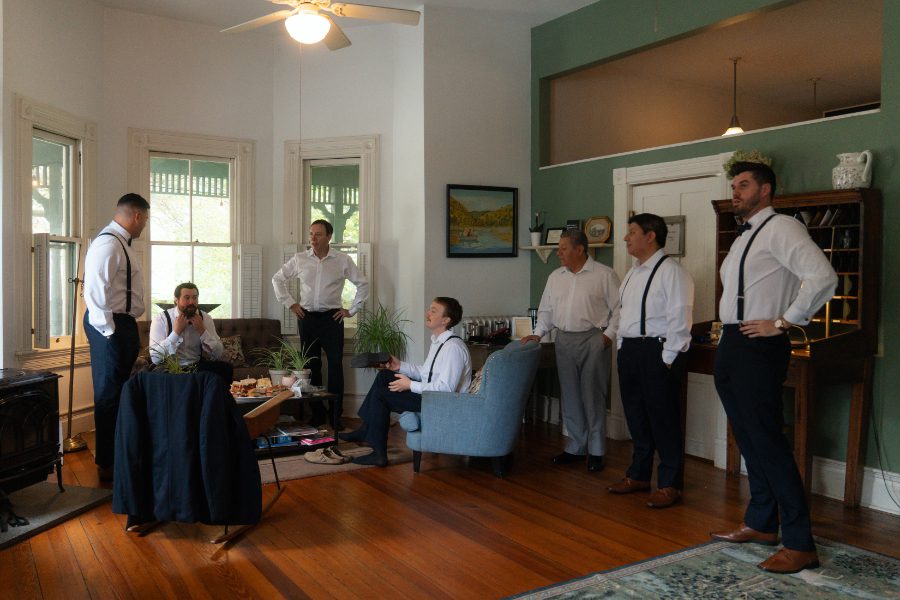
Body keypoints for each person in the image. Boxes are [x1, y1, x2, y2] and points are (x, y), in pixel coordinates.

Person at [710, 162, 837, 574]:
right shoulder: (743, 236)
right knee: (747, 436)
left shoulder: (782, 228)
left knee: (767, 440)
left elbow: (822, 277)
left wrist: (784, 322)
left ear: (765, 190)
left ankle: (800, 543)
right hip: (732, 341)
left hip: (759, 344)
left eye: (743, 185)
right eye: (733, 185)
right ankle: (762, 523)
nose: (735, 192)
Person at [609, 213, 694, 508]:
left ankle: (670, 483)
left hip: (658, 351)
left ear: (650, 236)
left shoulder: (672, 272)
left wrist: (668, 358)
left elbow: (680, 317)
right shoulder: (632, 273)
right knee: (636, 414)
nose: (626, 238)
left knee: (664, 418)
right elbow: (624, 313)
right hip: (631, 351)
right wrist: (622, 344)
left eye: (632, 232)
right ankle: (639, 475)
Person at [521, 229, 620, 472]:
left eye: (563, 248)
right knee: (570, 395)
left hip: (594, 339)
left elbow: (621, 309)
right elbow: (546, 311)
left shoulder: (604, 275)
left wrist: (607, 337)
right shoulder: (555, 277)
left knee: (593, 395)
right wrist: (538, 333)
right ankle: (576, 447)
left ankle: (596, 451)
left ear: (580, 249)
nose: (559, 253)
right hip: (563, 340)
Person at [340, 297, 471, 467]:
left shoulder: (453, 348)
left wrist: (410, 385)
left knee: (382, 395)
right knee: (384, 376)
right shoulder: (439, 342)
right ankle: (365, 429)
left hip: (441, 404)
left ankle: (379, 454)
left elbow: (446, 389)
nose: (428, 313)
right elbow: (426, 373)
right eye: (429, 309)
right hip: (432, 397)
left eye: (433, 311)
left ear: (446, 320)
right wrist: (399, 366)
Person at [272, 219, 369, 428]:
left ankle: (335, 416)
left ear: (328, 237)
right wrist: (290, 303)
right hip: (306, 318)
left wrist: (351, 310)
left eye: (317, 234)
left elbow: (363, 283)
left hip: (332, 319)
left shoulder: (342, 260)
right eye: (311, 234)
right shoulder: (300, 259)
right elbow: (277, 279)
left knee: (335, 367)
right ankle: (317, 413)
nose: (313, 238)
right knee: (311, 367)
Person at [83, 193, 150, 481]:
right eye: (145, 219)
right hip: (110, 327)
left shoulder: (121, 243)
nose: (145, 225)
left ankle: (118, 456)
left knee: (119, 393)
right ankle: (107, 463)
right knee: (108, 394)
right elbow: (95, 292)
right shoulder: (108, 243)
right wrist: (110, 333)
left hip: (122, 325)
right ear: (137, 216)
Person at [148, 282, 232, 383]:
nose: (191, 302)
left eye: (194, 298)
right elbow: (155, 358)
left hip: (197, 366)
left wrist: (203, 331)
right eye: (187, 298)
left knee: (225, 369)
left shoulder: (205, 318)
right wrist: (175, 333)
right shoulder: (161, 319)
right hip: (169, 368)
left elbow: (218, 353)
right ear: (176, 300)